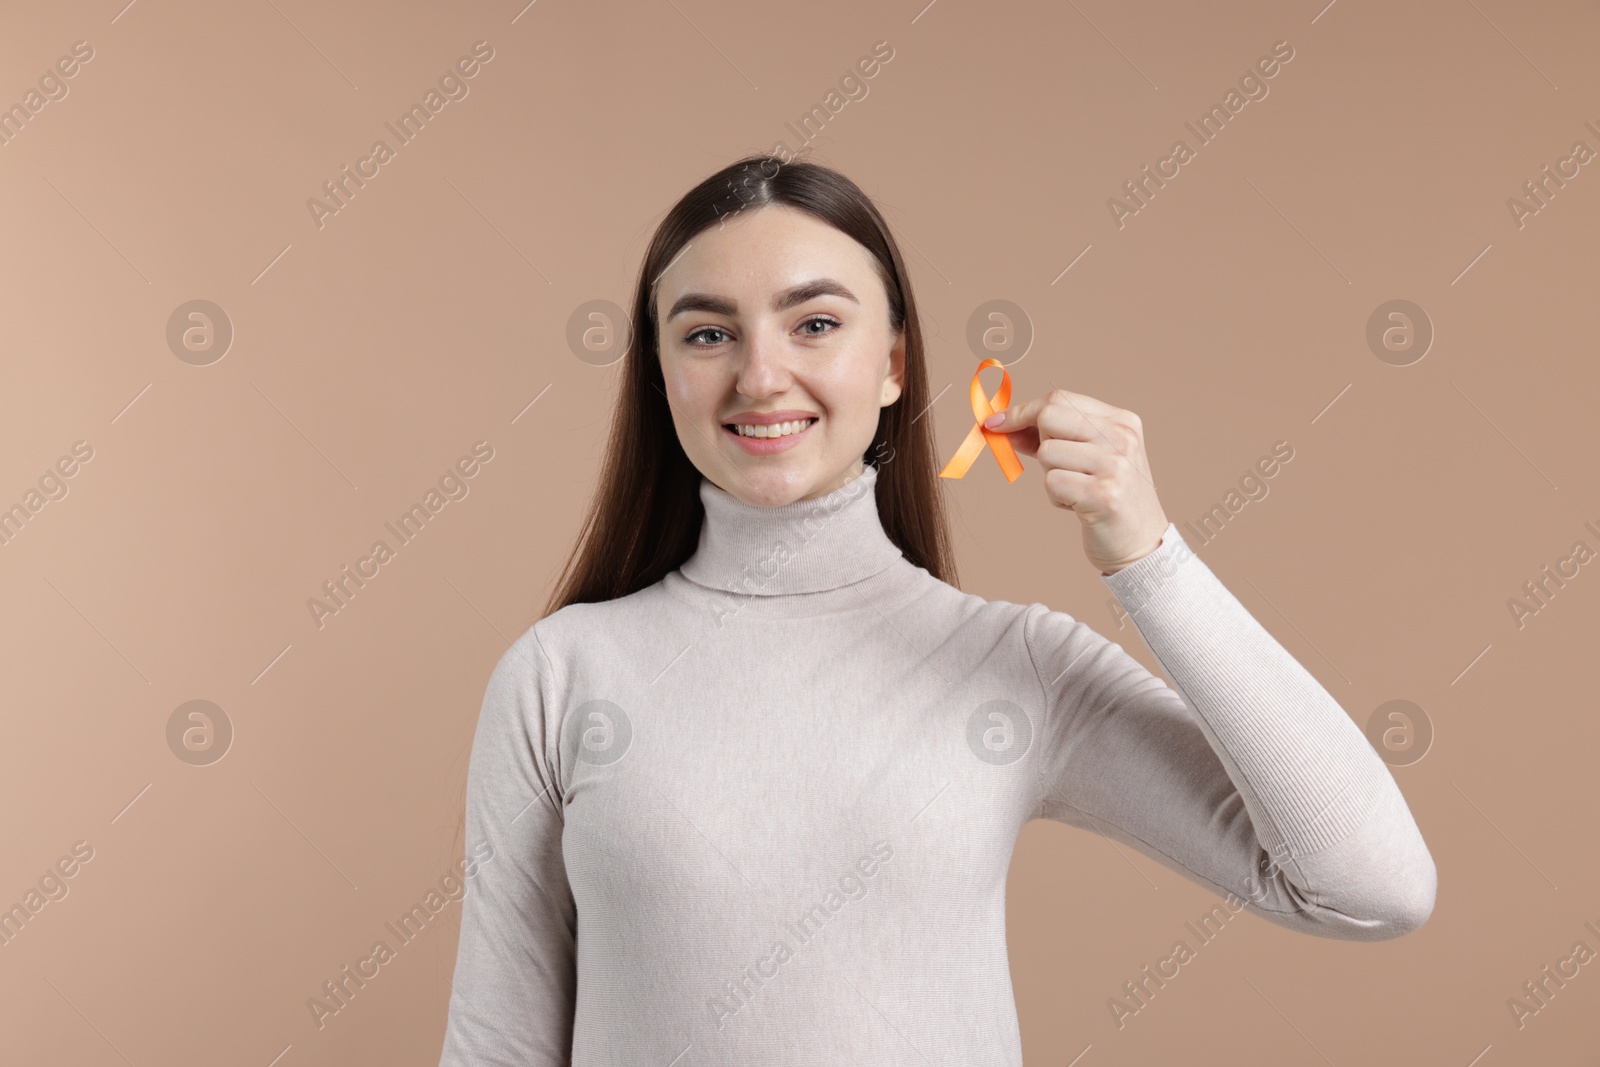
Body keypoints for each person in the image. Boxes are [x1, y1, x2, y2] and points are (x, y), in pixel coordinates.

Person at [436, 155, 1436, 1065]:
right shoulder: (563, 673)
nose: (759, 373)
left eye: (815, 323)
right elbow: (496, 1044)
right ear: (662, 376)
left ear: (894, 364)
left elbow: (1368, 885)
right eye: (707, 332)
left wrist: (1150, 558)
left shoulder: (1009, 665)